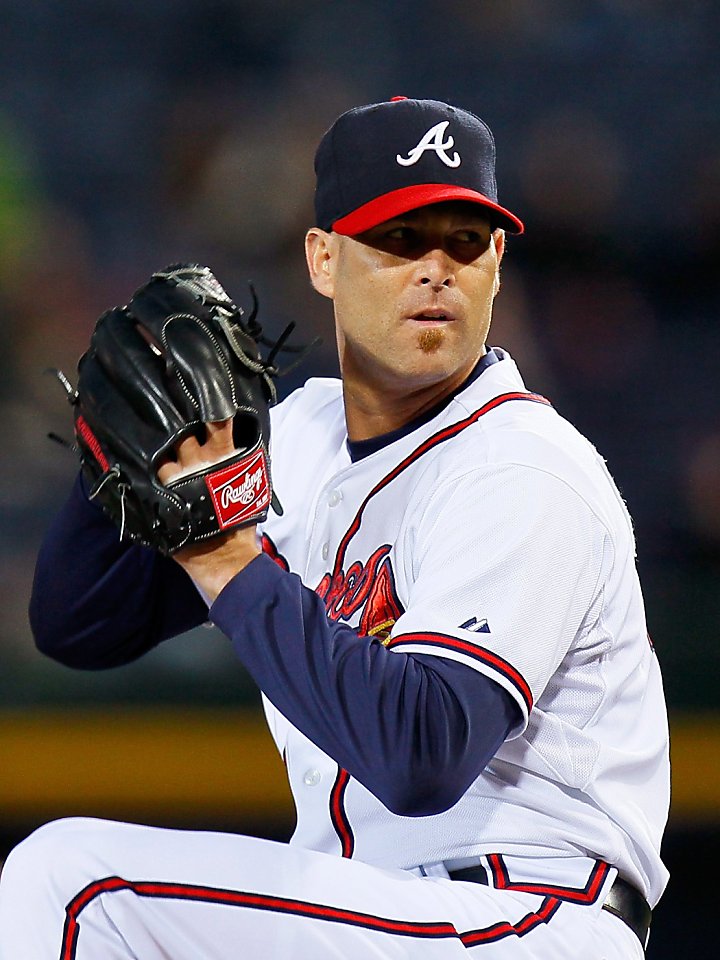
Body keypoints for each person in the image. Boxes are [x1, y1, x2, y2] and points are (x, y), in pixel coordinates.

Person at [0, 97, 669, 959]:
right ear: (323, 260)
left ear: (497, 263)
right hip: (369, 912)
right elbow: (81, 625)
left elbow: (423, 752)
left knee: (72, 883)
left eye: (464, 241)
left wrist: (221, 548)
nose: (435, 268)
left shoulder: (524, 467)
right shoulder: (301, 438)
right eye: (398, 239)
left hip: (526, 914)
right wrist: (116, 456)